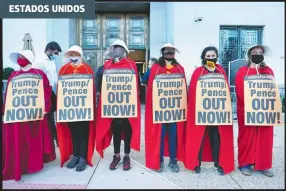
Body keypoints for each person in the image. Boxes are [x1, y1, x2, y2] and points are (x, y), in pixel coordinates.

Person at [2, 50, 56, 181]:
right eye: (19, 57)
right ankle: (18, 165)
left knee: (33, 141)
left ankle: (33, 165)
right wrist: (5, 111)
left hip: (34, 115)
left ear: (29, 58)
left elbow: (46, 91)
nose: (20, 59)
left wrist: (45, 108)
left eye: (22, 56)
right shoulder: (13, 75)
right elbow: (8, 94)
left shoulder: (39, 74)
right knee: (19, 140)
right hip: (17, 116)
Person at [184, 46, 235, 175]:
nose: (211, 58)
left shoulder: (221, 71)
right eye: (208, 56)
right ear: (204, 57)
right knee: (198, 137)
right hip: (201, 111)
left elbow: (225, 91)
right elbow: (193, 92)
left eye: (213, 56)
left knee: (216, 137)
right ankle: (196, 163)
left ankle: (218, 163)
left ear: (216, 57)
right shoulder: (198, 72)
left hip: (217, 113)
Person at [95, 39, 141, 171]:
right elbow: (100, 78)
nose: (117, 50)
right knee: (116, 130)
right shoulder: (107, 65)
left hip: (127, 105)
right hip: (113, 105)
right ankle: (116, 155)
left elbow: (136, 84)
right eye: (115, 48)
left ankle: (126, 155)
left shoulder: (131, 65)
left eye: (120, 48)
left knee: (127, 130)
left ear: (124, 50)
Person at [145, 43, 186, 172]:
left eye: (172, 51)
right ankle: (160, 160)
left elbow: (183, 89)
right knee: (160, 136)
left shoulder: (179, 68)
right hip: (160, 110)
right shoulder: (156, 68)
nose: (169, 53)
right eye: (167, 51)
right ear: (163, 53)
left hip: (175, 111)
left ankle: (173, 160)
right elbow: (151, 88)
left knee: (174, 136)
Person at [235, 45, 275, 177]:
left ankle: (263, 165)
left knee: (264, 137)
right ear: (250, 55)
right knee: (246, 137)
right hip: (247, 111)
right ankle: (245, 164)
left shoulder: (268, 71)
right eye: (255, 52)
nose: (258, 54)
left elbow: (271, 90)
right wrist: (251, 105)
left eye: (260, 52)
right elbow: (240, 91)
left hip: (264, 111)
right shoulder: (243, 71)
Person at [56, 45, 96, 172]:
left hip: (84, 109)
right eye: (71, 55)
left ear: (80, 56)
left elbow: (91, 89)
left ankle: (83, 157)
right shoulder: (63, 70)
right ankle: (76, 155)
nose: (73, 57)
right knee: (73, 132)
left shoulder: (87, 69)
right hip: (70, 109)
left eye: (76, 55)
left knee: (84, 133)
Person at [33, 41, 62, 146]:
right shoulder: (40, 61)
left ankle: (56, 137)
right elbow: (34, 75)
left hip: (51, 90)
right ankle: (55, 138)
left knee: (52, 115)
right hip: (43, 91)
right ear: (49, 50)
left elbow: (53, 75)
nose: (55, 55)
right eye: (55, 53)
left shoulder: (51, 61)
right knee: (49, 117)